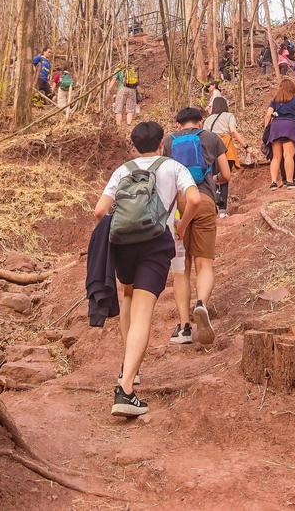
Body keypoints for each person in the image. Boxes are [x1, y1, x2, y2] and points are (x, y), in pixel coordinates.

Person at [94, 121, 200, 417]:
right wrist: (181, 224)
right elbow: (194, 199)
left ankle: (128, 367)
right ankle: (126, 391)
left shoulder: (122, 170)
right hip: (155, 245)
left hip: (123, 246)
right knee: (143, 311)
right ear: (162, 142)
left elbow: (99, 211)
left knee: (128, 297)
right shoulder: (173, 167)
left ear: (133, 145)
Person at [163, 107, 229, 345]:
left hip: (179, 206)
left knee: (182, 268)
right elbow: (227, 174)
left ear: (178, 123)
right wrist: (214, 180)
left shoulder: (169, 141)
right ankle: (201, 303)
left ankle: (184, 328)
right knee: (204, 264)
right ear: (200, 121)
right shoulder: (211, 137)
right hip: (204, 202)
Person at [204, 97, 250, 217]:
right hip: (226, 150)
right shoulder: (229, 116)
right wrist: (245, 145)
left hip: (211, 151)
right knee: (224, 178)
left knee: (212, 178)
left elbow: (204, 136)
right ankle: (223, 211)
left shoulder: (208, 119)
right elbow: (233, 132)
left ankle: (212, 209)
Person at [263, 77, 295, 189]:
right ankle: (290, 182)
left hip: (276, 127)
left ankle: (273, 182)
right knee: (288, 155)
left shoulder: (275, 100)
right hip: (289, 127)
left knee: (276, 157)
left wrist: (266, 128)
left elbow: (268, 115)